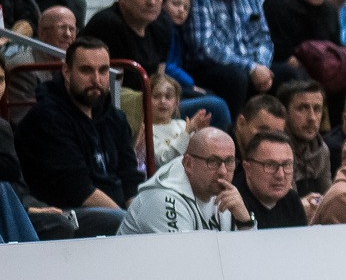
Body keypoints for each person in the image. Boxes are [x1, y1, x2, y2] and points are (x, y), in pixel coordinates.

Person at [17, 37, 143, 230]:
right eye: (86, 70)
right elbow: (78, 190)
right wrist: (130, 224)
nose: (97, 80)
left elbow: (130, 177)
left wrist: (138, 216)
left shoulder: (114, 117)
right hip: (67, 214)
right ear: (67, 72)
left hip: (115, 213)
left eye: (103, 71)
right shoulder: (47, 118)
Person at [84, 0, 230, 131]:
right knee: (217, 107)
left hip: (153, 98)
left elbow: (161, 77)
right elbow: (109, 93)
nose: (151, 2)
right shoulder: (106, 25)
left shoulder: (161, 23)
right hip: (126, 107)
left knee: (210, 94)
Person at [0, 46, 103, 239]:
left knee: (82, 221)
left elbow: (17, 182)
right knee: (56, 224)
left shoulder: (1, 127)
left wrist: (35, 207)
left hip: (17, 206)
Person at [184, 0, 288, 113]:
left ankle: (278, 128)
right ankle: (234, 129)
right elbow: (205, 48)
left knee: (287, 74)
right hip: (207, 68)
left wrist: (261, 66)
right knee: (237, 78)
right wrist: (251, 68)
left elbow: (263, 39)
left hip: (250, 66)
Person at [118, 127, 256, 234]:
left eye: (229, 161)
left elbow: (249, 256)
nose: (223, 171)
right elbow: (184, 259)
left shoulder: (226, 195)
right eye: (213, 161)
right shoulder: (163, 200)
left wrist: (245, 221)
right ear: (188, 163)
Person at [263, 0, 342, 73]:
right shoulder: (277, 4)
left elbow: (336, 47)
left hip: (321, 68)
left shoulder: (330, 10)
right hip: (285, 67)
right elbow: (279, 52)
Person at [4, 5, 76, 125]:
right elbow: (25, 121)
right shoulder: (24, 67)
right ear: (42, 33)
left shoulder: (74, 62)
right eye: (61, 28)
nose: (68, 34)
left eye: (72, 29)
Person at [235, 130, 308, 228]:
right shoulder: (235, 204)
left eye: (287, 165)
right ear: (248, 168)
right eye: (270, 165)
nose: (280, 175)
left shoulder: (291, 200)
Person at [277, 79, 333, 195]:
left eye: (317, 109)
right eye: (302, 108)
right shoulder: (276, 150)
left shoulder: (322, 149)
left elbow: (328, 198)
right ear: (284, 112)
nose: (312, 117)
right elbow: (286, 203)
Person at [147, 73, 213, 165]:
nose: (162, 101)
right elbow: (163, 160)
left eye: (168, 97)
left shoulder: (182, 124)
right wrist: (187, 133)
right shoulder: (147, 131)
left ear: (177, 102)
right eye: (156, 96)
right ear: (146, 100)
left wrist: (199, 134)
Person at [233, 94, 287, 159]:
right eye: (263, 131)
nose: (268, 141)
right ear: (241, 124)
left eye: (276, 135)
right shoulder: (223, 155)